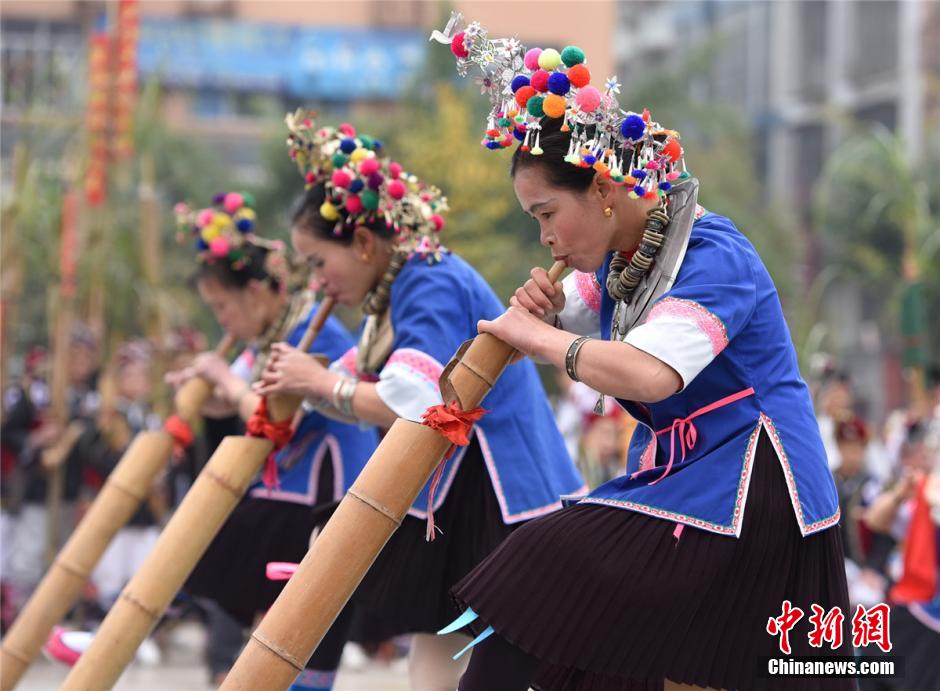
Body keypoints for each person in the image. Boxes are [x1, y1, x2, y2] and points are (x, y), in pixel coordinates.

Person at [429, 16, 852, 690]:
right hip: (691, 485)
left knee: (539, 568)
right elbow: (572, 312)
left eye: (544, 214)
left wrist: (540, 336)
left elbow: (651, 374)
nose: (543, 236)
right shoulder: (625, 265)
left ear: (601, 190)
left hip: (753, 493)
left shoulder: (715, 254)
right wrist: (542, 311)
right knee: (585, 660)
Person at [256, 114, 585, 690]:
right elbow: (369, 390)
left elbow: (418, 401)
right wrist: (305, 384)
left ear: (362, 243)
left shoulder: (426, 278)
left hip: (496, 487)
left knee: (507, 651)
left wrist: (318, 383)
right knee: (443, 641)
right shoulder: (396, 290)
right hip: (460, 489)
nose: (318, 285)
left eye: (317, 264)